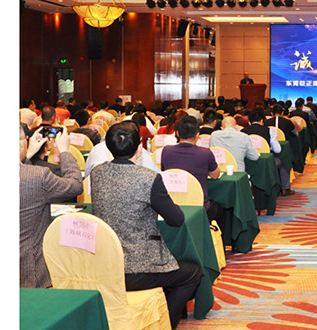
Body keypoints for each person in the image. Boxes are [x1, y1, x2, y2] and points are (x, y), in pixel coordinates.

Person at [90, 122, 202, 327]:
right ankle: (165, 323)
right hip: (137, 269)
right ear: (139, 148)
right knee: (193, 273)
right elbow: (176, 219)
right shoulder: (148, 178)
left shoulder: (97, 173)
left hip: (105, 263)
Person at [20, 125, 83, 288]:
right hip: (30, 270)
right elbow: (75, 185)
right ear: (20, 144)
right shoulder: (38, 176)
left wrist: (27, 154)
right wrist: (64, 151)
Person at [161, 116, 221, 222]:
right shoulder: (205, 153)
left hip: (172, 205)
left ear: (177, 133)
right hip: (198, 205)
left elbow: (166, 172)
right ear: (198, 135)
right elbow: (215, 175)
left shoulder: (166, 151)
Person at [243, 109, 294, 196]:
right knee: (284, 161)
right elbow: (278, 150)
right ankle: (285, 188)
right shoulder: (268, 130)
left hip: (247, 163)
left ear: (249, 121)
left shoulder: (243, 132)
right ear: (262, 120)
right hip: (266, 163)